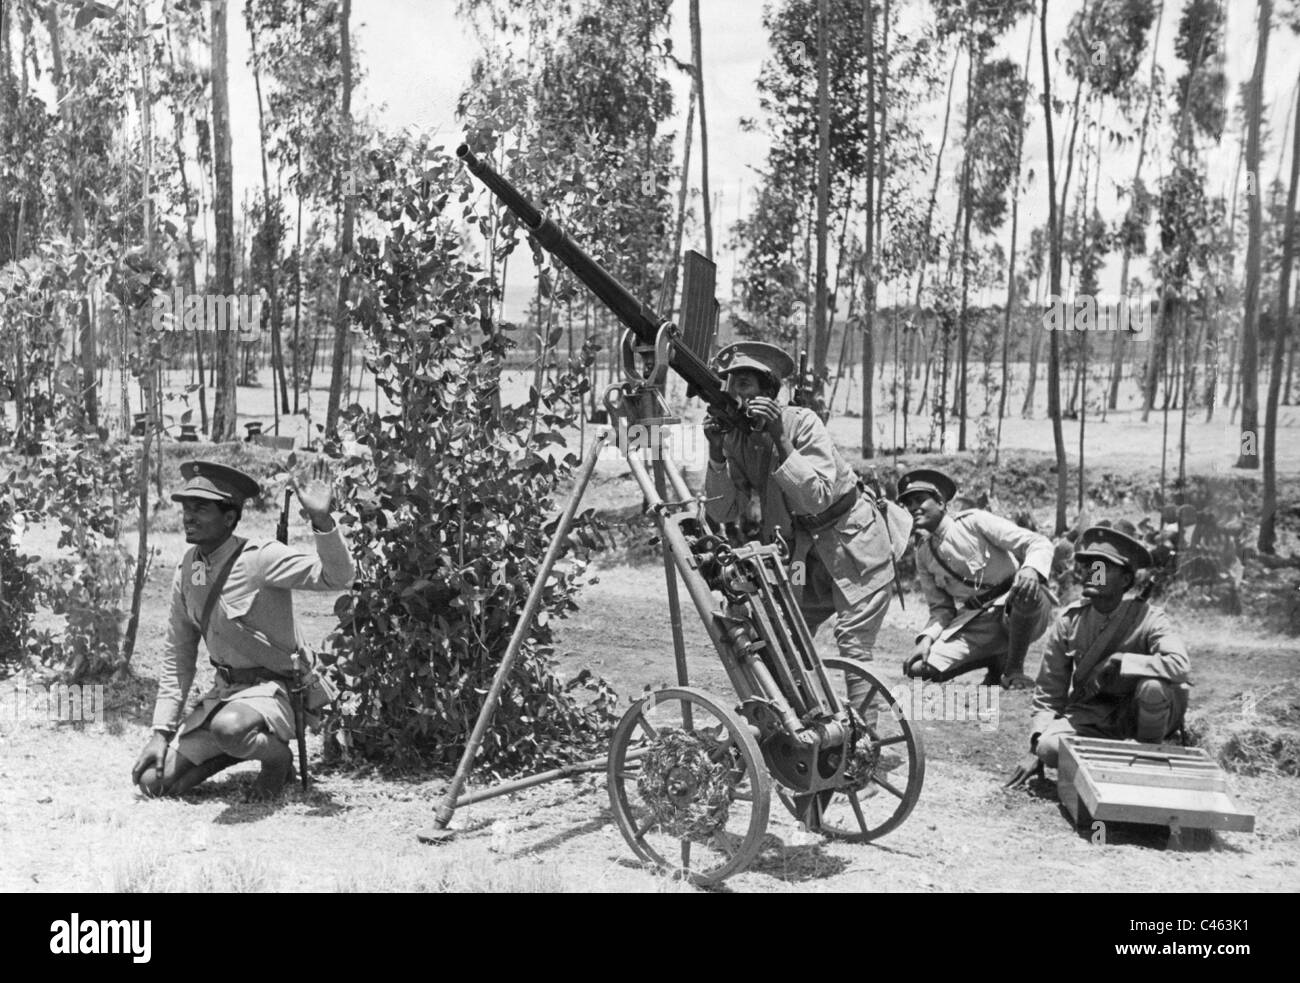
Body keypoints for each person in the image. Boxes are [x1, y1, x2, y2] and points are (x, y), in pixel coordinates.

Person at [702, 341, 910, 706]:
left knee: (854, 646)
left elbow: (814, 496)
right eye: (730, 384)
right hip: (803, 557)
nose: (734, 394)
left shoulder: (802, 423)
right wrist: (716, 454)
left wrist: (781, 438)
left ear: (769, 391)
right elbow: (724, 513)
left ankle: (867, 749)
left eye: (745, 384)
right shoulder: (735, 438)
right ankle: (800, 728)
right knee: (787, 640)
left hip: (856, 545)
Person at [131, 461, 354, 800]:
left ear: (230, 517)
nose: (188, 517)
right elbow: (178, 655)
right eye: (186, 508)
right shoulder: (188, 569)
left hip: (276, 692)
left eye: (201, 508)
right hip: (228, 697)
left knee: (229, 727)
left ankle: (278, 760)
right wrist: (161, 732)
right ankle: (235, 747)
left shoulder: (261, 557)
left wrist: (322, 522)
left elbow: (338, 577)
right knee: (153, 782)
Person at [1004, 526, 1191, 788]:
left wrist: (1122, 661)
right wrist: (1034, 747)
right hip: (1095, 715)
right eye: (1089, 566)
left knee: (1153, 687)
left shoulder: (1149, 618)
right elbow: (1049, 691)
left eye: (1102, 568)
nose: (1092, 574)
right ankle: (1119, 762)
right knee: (1049, 748)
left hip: (1140, 715)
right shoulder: (1070, 621)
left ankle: (1149, 757)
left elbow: (1180, 666)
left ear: (1125, 580)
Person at [899, 468, 1055, 689]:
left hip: (1017, 606)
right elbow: (941, 610)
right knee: (918, 669)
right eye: (909, 504)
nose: (914, 508)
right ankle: (996, 659)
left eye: (919, 500)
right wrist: (926, 639)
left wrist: (1031, 569)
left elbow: (1038, 543)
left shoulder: (974, 522)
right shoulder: (923, 554)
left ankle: (1014, 670)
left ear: (941, 503)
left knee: (1026, 590)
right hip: (978, 621)